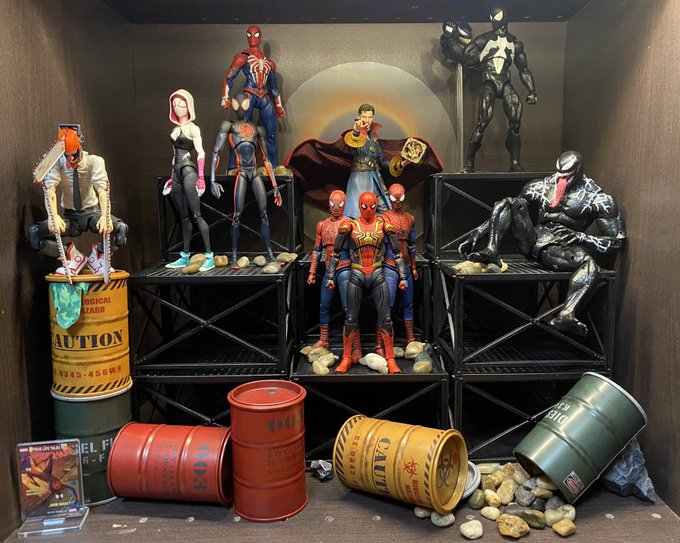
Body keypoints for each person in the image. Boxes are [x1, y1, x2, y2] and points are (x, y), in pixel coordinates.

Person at [459, 151, 625, 336]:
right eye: (559, 173)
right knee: (511, 202)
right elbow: (508, 210)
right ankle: (491, 250)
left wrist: (581, 237)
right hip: (530, 240)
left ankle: (566, 314)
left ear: (578, 170)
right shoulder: (541, 185)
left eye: (567, 174)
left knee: (589, 264)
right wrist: (478, 232)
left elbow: (615, 242)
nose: (561, 178)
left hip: (557, 250)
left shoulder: (598, 198)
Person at [326, 192, 407, 374]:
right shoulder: (350, 225)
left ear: (376, 206)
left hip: (377, 273)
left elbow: (397, 253)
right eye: (364, 206)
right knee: (350, 319)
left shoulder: (383, 224)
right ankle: (347, 358)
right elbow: (335, 253)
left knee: (386, 318)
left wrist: (403, 276)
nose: (369, 210)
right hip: (356, 272)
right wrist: (330, 276)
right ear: (359, 205)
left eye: (372, 207)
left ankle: (390, 358)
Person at [29, 125, 127, 277]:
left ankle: (99, 255)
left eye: (73, 155)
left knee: (120, 228)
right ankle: (70, 256)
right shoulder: (57, 163)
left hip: (93, 214)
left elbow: (102, 190)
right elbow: (50, 189)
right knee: (35, 233)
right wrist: (53, 216)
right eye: (66, 155)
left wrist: (105, 216)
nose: (70, 159)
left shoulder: (94, 161)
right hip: (70, 218)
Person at [460, 8, 538, 172]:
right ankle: (469, 163)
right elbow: (465, 55)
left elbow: (524, 69)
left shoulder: (515, 43)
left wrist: (532, 90)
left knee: (515, 121)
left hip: (505, 81)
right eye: (494, 16)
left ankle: (515, 163)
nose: (496, 19)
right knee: (483, 121)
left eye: (498, 15)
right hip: (489, 80)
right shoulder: (483, 40)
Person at [210, 92, 283, 269]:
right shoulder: (229, 125)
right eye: (240, 103)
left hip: (254, 172)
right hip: (241, 172)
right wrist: (211, 179)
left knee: (264, 214)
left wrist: (275, 186)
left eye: (245, 103)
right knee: (237, 215)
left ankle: (270, 255)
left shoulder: (258, 129)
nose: (243, 106)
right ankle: (234, 256)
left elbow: (266, 158)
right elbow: (216, 152)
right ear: (235, 105)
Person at [221, 25, 287, 173]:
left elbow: (273, 87)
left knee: (270, 134)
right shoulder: (242, 57)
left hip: (264, 96)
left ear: (260, 37)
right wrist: (225, 96)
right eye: (249, 35)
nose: (252, 38)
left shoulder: (269, 63)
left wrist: (278, 105)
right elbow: (229, 78)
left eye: (256, 35)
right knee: (241, 131)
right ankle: (233, 167)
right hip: (249, 94)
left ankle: (274, 167)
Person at [164, 89, 214, 271]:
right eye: (174, 105)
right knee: (184, 217)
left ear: (189, 106)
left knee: (196, 215)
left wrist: (201, 177)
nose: (178, 107)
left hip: (188, 170)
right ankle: (185, 255)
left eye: (181, 104)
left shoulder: (193, 128)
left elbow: (201, 152)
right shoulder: (175, 130)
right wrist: (171, 177)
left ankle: (209, 256)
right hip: (177, 172)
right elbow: (173, 155)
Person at [307, 190, 351, 349]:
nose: (336, 208)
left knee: (349, 308)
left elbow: (357, 248)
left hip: (345, 267)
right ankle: (324, 339)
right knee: (324, 305)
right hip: (328, 269)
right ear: (329, 204)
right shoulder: (322, 225)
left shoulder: (349, 223)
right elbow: (317, 250)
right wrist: (312, 271)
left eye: (339, 205)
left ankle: (352, 342)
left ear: (344, 205)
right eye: (333, 204)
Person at [379, 183, 418, 349]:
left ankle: (410, 339)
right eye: (394, 198)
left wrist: (414, 267)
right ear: (389, 198)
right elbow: (376, 243)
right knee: (387, 305)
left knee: (408, 303)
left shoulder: (410, 218)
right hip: (390, 266)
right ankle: (381, 342)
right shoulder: (383, 218)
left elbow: (412, 246)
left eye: (400, 197)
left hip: (407, 265)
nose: (397, 201)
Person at [343, 104, 399, 218]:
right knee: (358, 213)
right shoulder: (354, 136)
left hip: (375, 178)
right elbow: (352, 150)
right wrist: (356, 132)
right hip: (360, 179)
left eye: (370, 117)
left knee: (385, 210)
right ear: (359, 117)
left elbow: (382, 162)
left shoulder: (374, 138)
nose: (367, 120)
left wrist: (399, 164)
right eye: (364, 117)